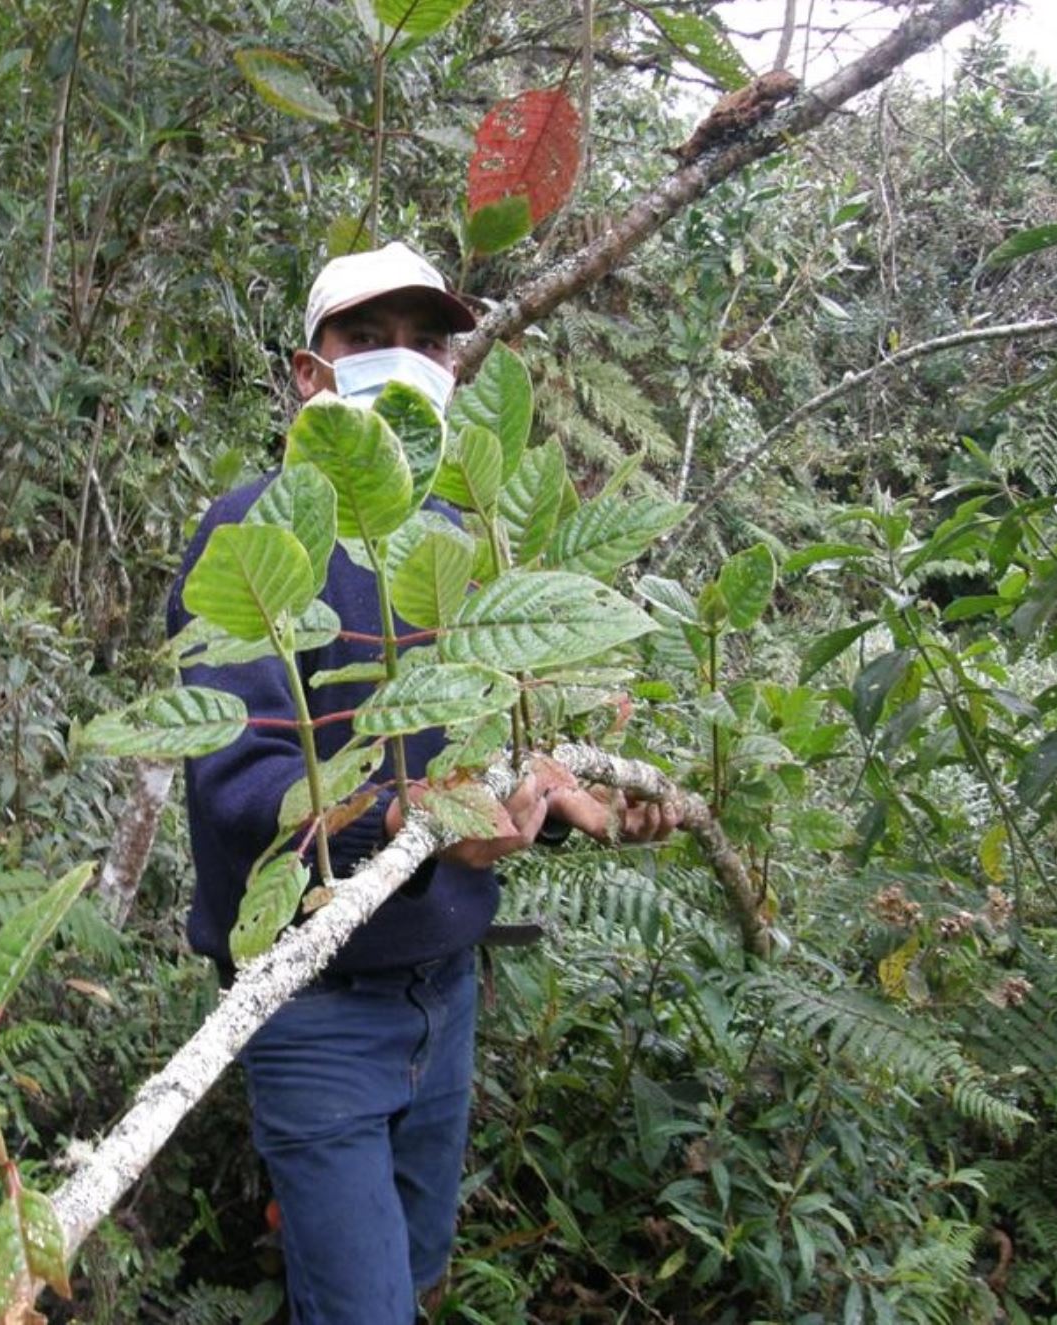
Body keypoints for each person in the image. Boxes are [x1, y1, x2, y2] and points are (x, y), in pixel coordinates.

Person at [164, 242, 678, 1324]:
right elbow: (239, 784)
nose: (403, 365)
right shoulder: (254, 535)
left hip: (445, 992)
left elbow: (478, 746)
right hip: (312, 999)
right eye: (365, 340)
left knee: (422, 1269)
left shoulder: (456, 540)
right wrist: (410, 821)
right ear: (310, 376)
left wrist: (569, 795)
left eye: (428, 342)